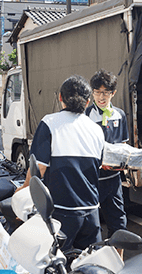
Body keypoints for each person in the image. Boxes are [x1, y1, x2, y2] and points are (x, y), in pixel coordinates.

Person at [19, 75, 105, 251]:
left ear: (60, 98)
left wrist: (24, 189)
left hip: (61, 211)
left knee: (56, 266)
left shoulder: (49, 123)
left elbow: (39, 168)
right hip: (91, 210)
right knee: (88, 265)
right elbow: (99, 167)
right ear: (88, 102)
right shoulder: (96, 130)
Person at [85, 69, 129, 240]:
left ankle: (118, 263)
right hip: (93, 180)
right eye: (97, 92)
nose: (101, 97)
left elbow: (123, 145)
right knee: (92, 226)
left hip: (113, 179)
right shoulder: (86, 115)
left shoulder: (120, 115)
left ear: (113, 93)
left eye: (106, 93)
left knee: (119, 223)